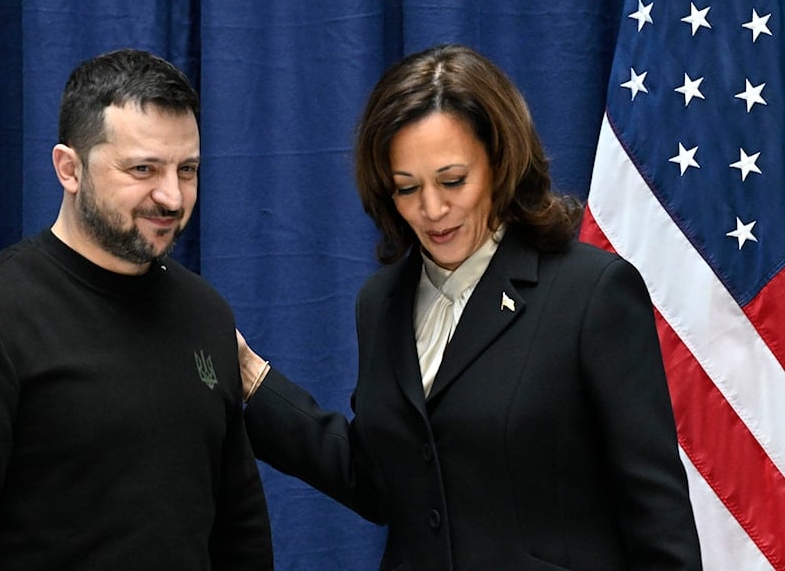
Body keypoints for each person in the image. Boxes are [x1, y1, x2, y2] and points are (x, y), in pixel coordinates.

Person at [237, 44, 701, 570]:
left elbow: (657, 518)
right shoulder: (381, 302)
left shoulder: (592, 293)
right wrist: (255, 380)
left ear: (501, 163)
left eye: (453, 180)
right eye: (406, 189)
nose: (432, 210)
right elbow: (380, 481)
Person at [0, 48, 274, 570]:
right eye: (143, 169)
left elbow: (238, 534)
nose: (172, 197)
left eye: (188, 169)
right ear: (69, 168)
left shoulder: (206, 314)